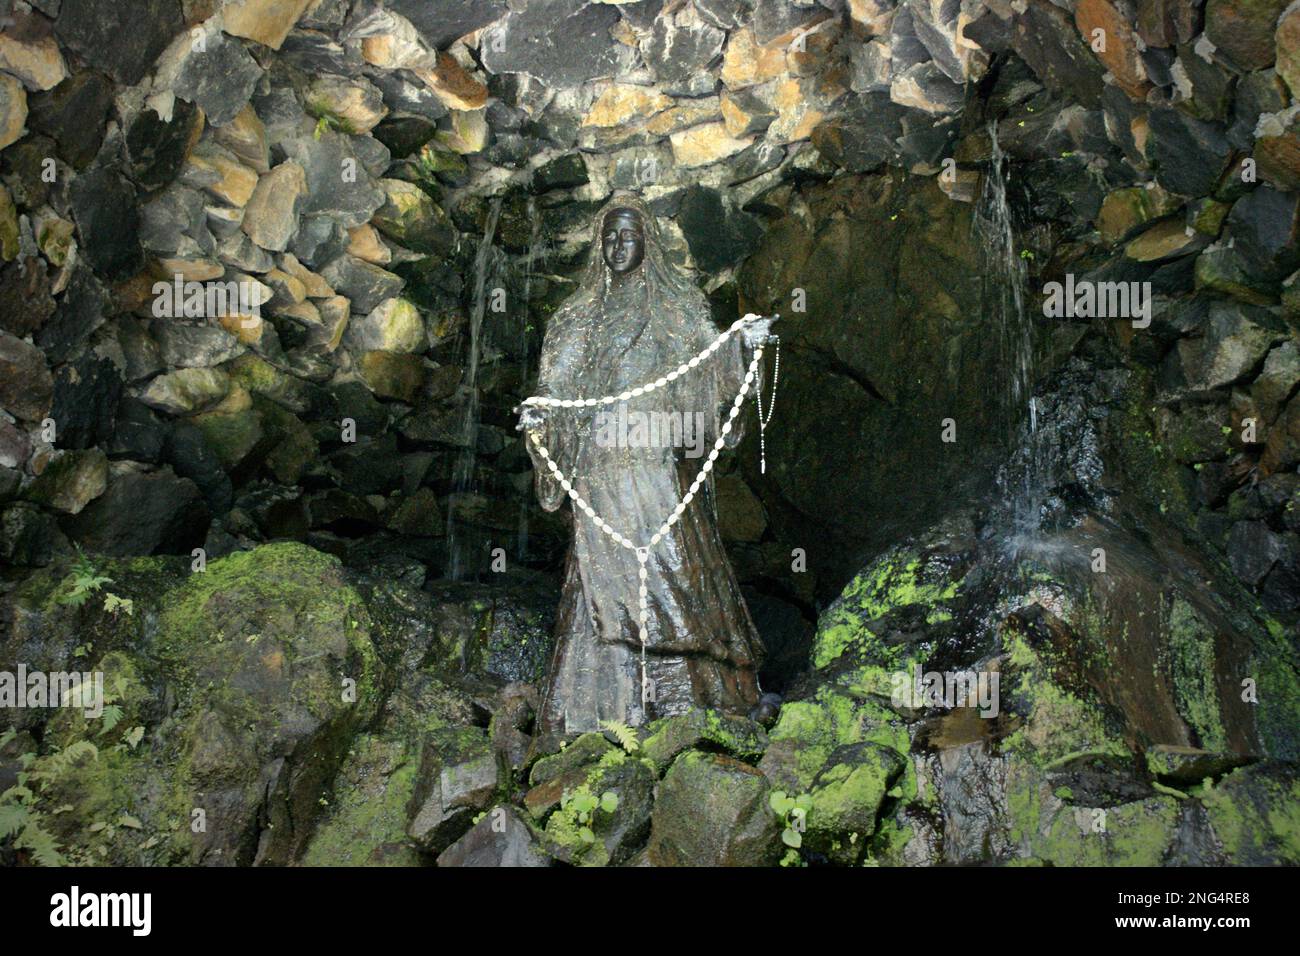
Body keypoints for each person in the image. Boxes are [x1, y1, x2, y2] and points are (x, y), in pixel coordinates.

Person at [517, 193, 776, 733]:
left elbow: (709, 363)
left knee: (674, 559)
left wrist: (740, 347)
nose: (617, 245)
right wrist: (539, 415)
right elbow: (555, 385)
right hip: (598, 463)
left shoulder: (677, 304)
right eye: (609, 236)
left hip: (655, 453)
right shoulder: (577, 316)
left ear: (648, 242)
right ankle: (597, 711)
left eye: (628, 235)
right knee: (599, 570)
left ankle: (699, 692)